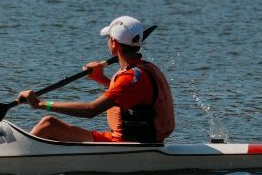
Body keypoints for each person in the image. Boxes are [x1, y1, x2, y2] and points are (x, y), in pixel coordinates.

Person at [17, 16, 175, 145]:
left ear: (113, 43)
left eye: (108, 38)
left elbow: (91, 110)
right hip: (144, 142)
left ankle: (17, 157)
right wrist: (102, 79)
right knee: (49, 127)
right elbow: (132, 97)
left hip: (124, 144)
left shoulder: (129, 78)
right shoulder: (147, 69)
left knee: (48, 125)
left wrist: (40, 104)